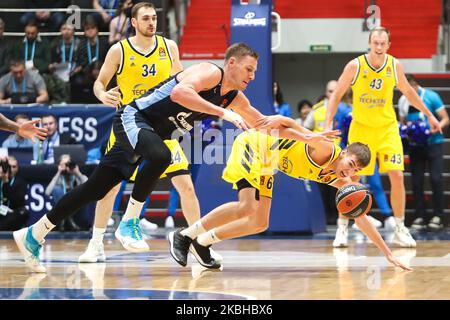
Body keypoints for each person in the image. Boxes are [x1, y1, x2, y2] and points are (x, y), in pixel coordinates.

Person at [13, 42, 338, 273]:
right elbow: (179, 93)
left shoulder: (236, 97)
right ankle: (129, 223)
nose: (252, 75)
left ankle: (34, 233)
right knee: (160, 155)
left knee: (95, 188)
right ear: (232, 63)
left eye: (256, 71)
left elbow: (265, 124)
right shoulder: (209, 72)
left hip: (152, 131)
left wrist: (309, 135)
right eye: (249, 69)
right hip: (134, 117)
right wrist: (221, 113)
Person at [168, 127, 411, 271]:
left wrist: (387, 252)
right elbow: (288, 126)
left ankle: (202, 242)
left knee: (260, 222)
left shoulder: (340, 179)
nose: (350, 172)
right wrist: (279, 122)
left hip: (268, 164)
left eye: (355, 170)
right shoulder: (326, 149)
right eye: (350, 163)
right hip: (256, 144)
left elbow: (361, 217)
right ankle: (185, 235)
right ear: (344, 153)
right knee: (247, 206)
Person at [78, 1, 206, 263]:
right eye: (146, 18)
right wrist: (103, 95)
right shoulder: (119, 50)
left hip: (161, 126)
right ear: (134, 23)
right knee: (110, 189)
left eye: (154, 18)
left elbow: (181, 85)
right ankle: (96, 243)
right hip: (129, 124)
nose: (152, 22)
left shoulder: (169, 47)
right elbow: (99, 83)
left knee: (186, 187)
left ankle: (199, 243)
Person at [324, 26, 442, 248]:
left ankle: (399, 227)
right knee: (352, 180)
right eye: (375, 42)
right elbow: (337, 94)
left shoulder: (394, 65)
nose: (378, 47)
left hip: (387, 129)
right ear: (369, 43)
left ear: (388, 45)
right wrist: (328, 122)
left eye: (382, 43)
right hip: (362, 130)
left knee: (397, 175)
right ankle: (342, 228)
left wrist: (429, 116)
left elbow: (408, 92)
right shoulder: (355, 66)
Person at [399, 74, 449, 231]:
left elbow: (445, 119)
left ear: (414, 85)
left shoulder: (431, 96)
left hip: (433, 143)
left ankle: (438, 216)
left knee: (436, 179)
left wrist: (434, 129)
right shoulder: (402, 100)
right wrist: (407, 132)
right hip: (415, 146)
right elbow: (402, 123)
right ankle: (420, 215)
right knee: (416, 181)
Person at [45, 154, 90, 231]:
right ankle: (68, 220)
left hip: (76, 209)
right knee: (57, 189)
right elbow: (47, 192)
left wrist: (78, 173)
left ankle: (66, 219)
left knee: (80, 189)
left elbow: (89, 186)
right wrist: (58, 172)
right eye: (63, 164)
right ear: (59, 165)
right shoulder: (59, 177)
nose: (66, 166)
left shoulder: (75, 175)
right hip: (62, 209)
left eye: (68, 163)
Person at [71, 16, 109, 103]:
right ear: (84, 31)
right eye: (87, 29)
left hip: (103, 71)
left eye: (93, 28)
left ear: (97, 30)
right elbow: (80, 62)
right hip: (86, 73)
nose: (90, 31)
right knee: (78, 80)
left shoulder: (104, 43)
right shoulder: (82, 45)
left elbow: (108, 60)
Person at [47, 23, 82, 103]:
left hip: (75, 72)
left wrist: (74, 71)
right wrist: (52, 67)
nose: (66, 31)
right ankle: (59, 101)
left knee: (79, 81)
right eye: (64, 29)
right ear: (60, 31)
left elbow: (82, 63)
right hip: (59, 72)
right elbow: (52, 61)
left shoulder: (79, 44)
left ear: (73, 32)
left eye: (69, 29)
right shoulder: (55, 44)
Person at [0, 156, 29, 231]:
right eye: (9, 166)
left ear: (18, 168)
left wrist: (6, 182)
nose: (11, 169)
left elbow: (17, 201)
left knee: (23, 212)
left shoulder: (21, 182)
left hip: (12, 212)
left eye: (14, 167)